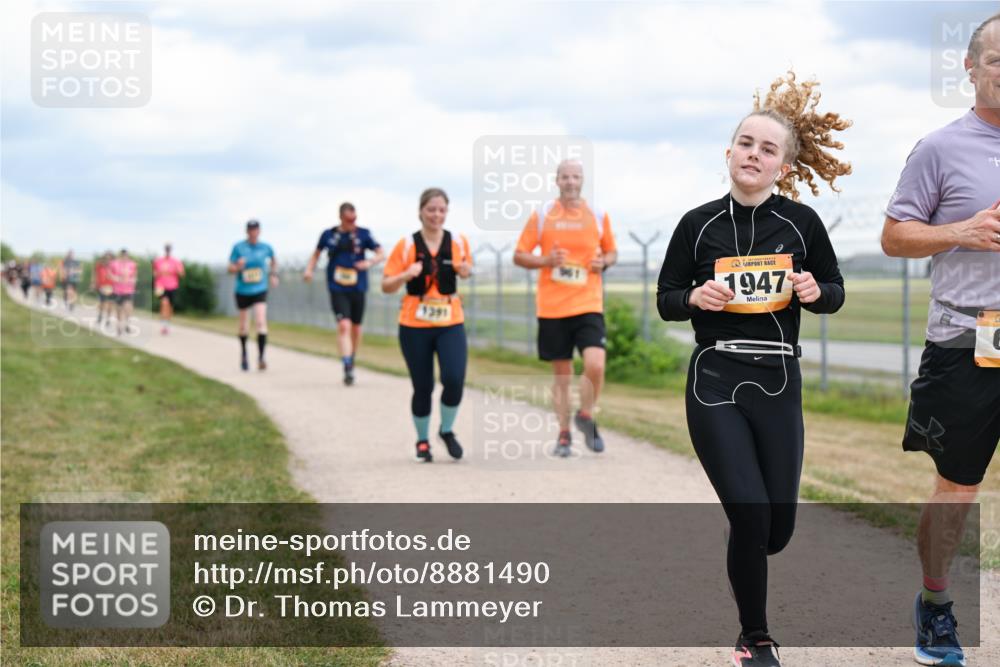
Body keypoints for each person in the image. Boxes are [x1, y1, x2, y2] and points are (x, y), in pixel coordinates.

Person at [657, 72, 850, 667]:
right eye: (746, 143)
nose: (754, 154)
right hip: (713, 380)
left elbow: (836, 291)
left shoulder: (801, 225)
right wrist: (693, 299)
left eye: (768, 149)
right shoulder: (697, 225)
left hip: (777, 381)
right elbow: (665, 298)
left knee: (774, 531)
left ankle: (748, 539)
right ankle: (755, 637)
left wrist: (815, 290)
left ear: (783, 167)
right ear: (729, 151)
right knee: (749, 510)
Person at [880, 14, 1000, 667]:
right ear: (972, 67)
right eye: (997, 60)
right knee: (957, 487)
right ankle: (935, 601)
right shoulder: (940, 149)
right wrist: (963, 230)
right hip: (967, 342)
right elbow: (895, 236)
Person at [513, 159, 617, 457]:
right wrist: (545, 261)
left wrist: (604, 262)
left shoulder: (597, 215)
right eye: (565, 177)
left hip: (588, 302)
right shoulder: (544, 215)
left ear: (582, 180)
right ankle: (563, 434)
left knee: (596, 363)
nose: (571, 181)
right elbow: (519, 255)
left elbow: (611, 251)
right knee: (562, 375)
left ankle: (585, 414)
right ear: (557, 180)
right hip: (553, 307)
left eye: (576, 176)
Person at [381, 188, 472, 462]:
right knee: (423, 387)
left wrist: (465, 271)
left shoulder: (458, 241)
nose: (436, 215)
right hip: (414, 323)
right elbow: (386, 285)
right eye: (431, 209)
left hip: (450, 320)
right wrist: (406, 274)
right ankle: (422, 441)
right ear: (421, 211)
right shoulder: (406, 245)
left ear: (447, 212)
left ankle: (446, 430)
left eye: (441, 209)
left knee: (454, 379)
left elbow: (466, 269)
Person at [304, 202, 385, 385]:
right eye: (349, 219)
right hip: (337, 287)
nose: (352, 222)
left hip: (358, 287)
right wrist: (309, 270)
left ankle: (351, 356)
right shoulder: (329, 235)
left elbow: (381, 253)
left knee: (356, 328)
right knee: (344, 326)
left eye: (354, 219)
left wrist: (369, 263)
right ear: (341, 217)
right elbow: (316, 255)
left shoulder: (363, 234)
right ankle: (347, 365)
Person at [228, 219, 278, 371]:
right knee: (244, 325)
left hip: (259, 288)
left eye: (255, 229)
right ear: (247, 231)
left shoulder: (266, 247)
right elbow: (230, 268)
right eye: (250, 229)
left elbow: (274, 260)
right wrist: (237, 266)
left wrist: (273, 274)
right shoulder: (238, 247)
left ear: (259, 231)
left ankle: (261, 357)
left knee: (261, 322)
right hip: (243, 290)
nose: (253, 232)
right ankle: (244, 354)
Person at [153, 243, 185, 335]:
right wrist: (158, 274)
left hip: (173, 286)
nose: (167, 251)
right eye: (166, 249)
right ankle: (163, 325)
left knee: (170, 306)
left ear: (171, 250)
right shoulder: (158, 261)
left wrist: (178, 271)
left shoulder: (176, 261)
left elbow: (182, 274)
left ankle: (167, 324)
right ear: (164, 250)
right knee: (164, 303)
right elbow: (154, 273)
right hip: (160, 286)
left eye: (169, 249)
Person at [109, 249, 138, 335]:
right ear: (120, 255)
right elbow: (109, 274)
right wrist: (115, 278)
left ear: (128, 256)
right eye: (123, 255)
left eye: (126, 255)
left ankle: (127, 324)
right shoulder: (114, 263)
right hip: (117, 290)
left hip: (129, 290)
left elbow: (135, 275)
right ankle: (119, 326)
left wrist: (133, 281)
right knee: (119, 309)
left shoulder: (132, 264)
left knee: (128, 306)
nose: (124, 257)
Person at [91, 251, 115, 325]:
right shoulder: (99, 265)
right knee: (102, 303)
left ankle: (108, 319)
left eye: (109, 258)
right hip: (102, 286)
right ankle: (100, 315)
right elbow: (94, 274)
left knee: (110, 303)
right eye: (106, 258)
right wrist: (93, 283)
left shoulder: (114, 266)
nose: (108, 260)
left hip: (112, 287)